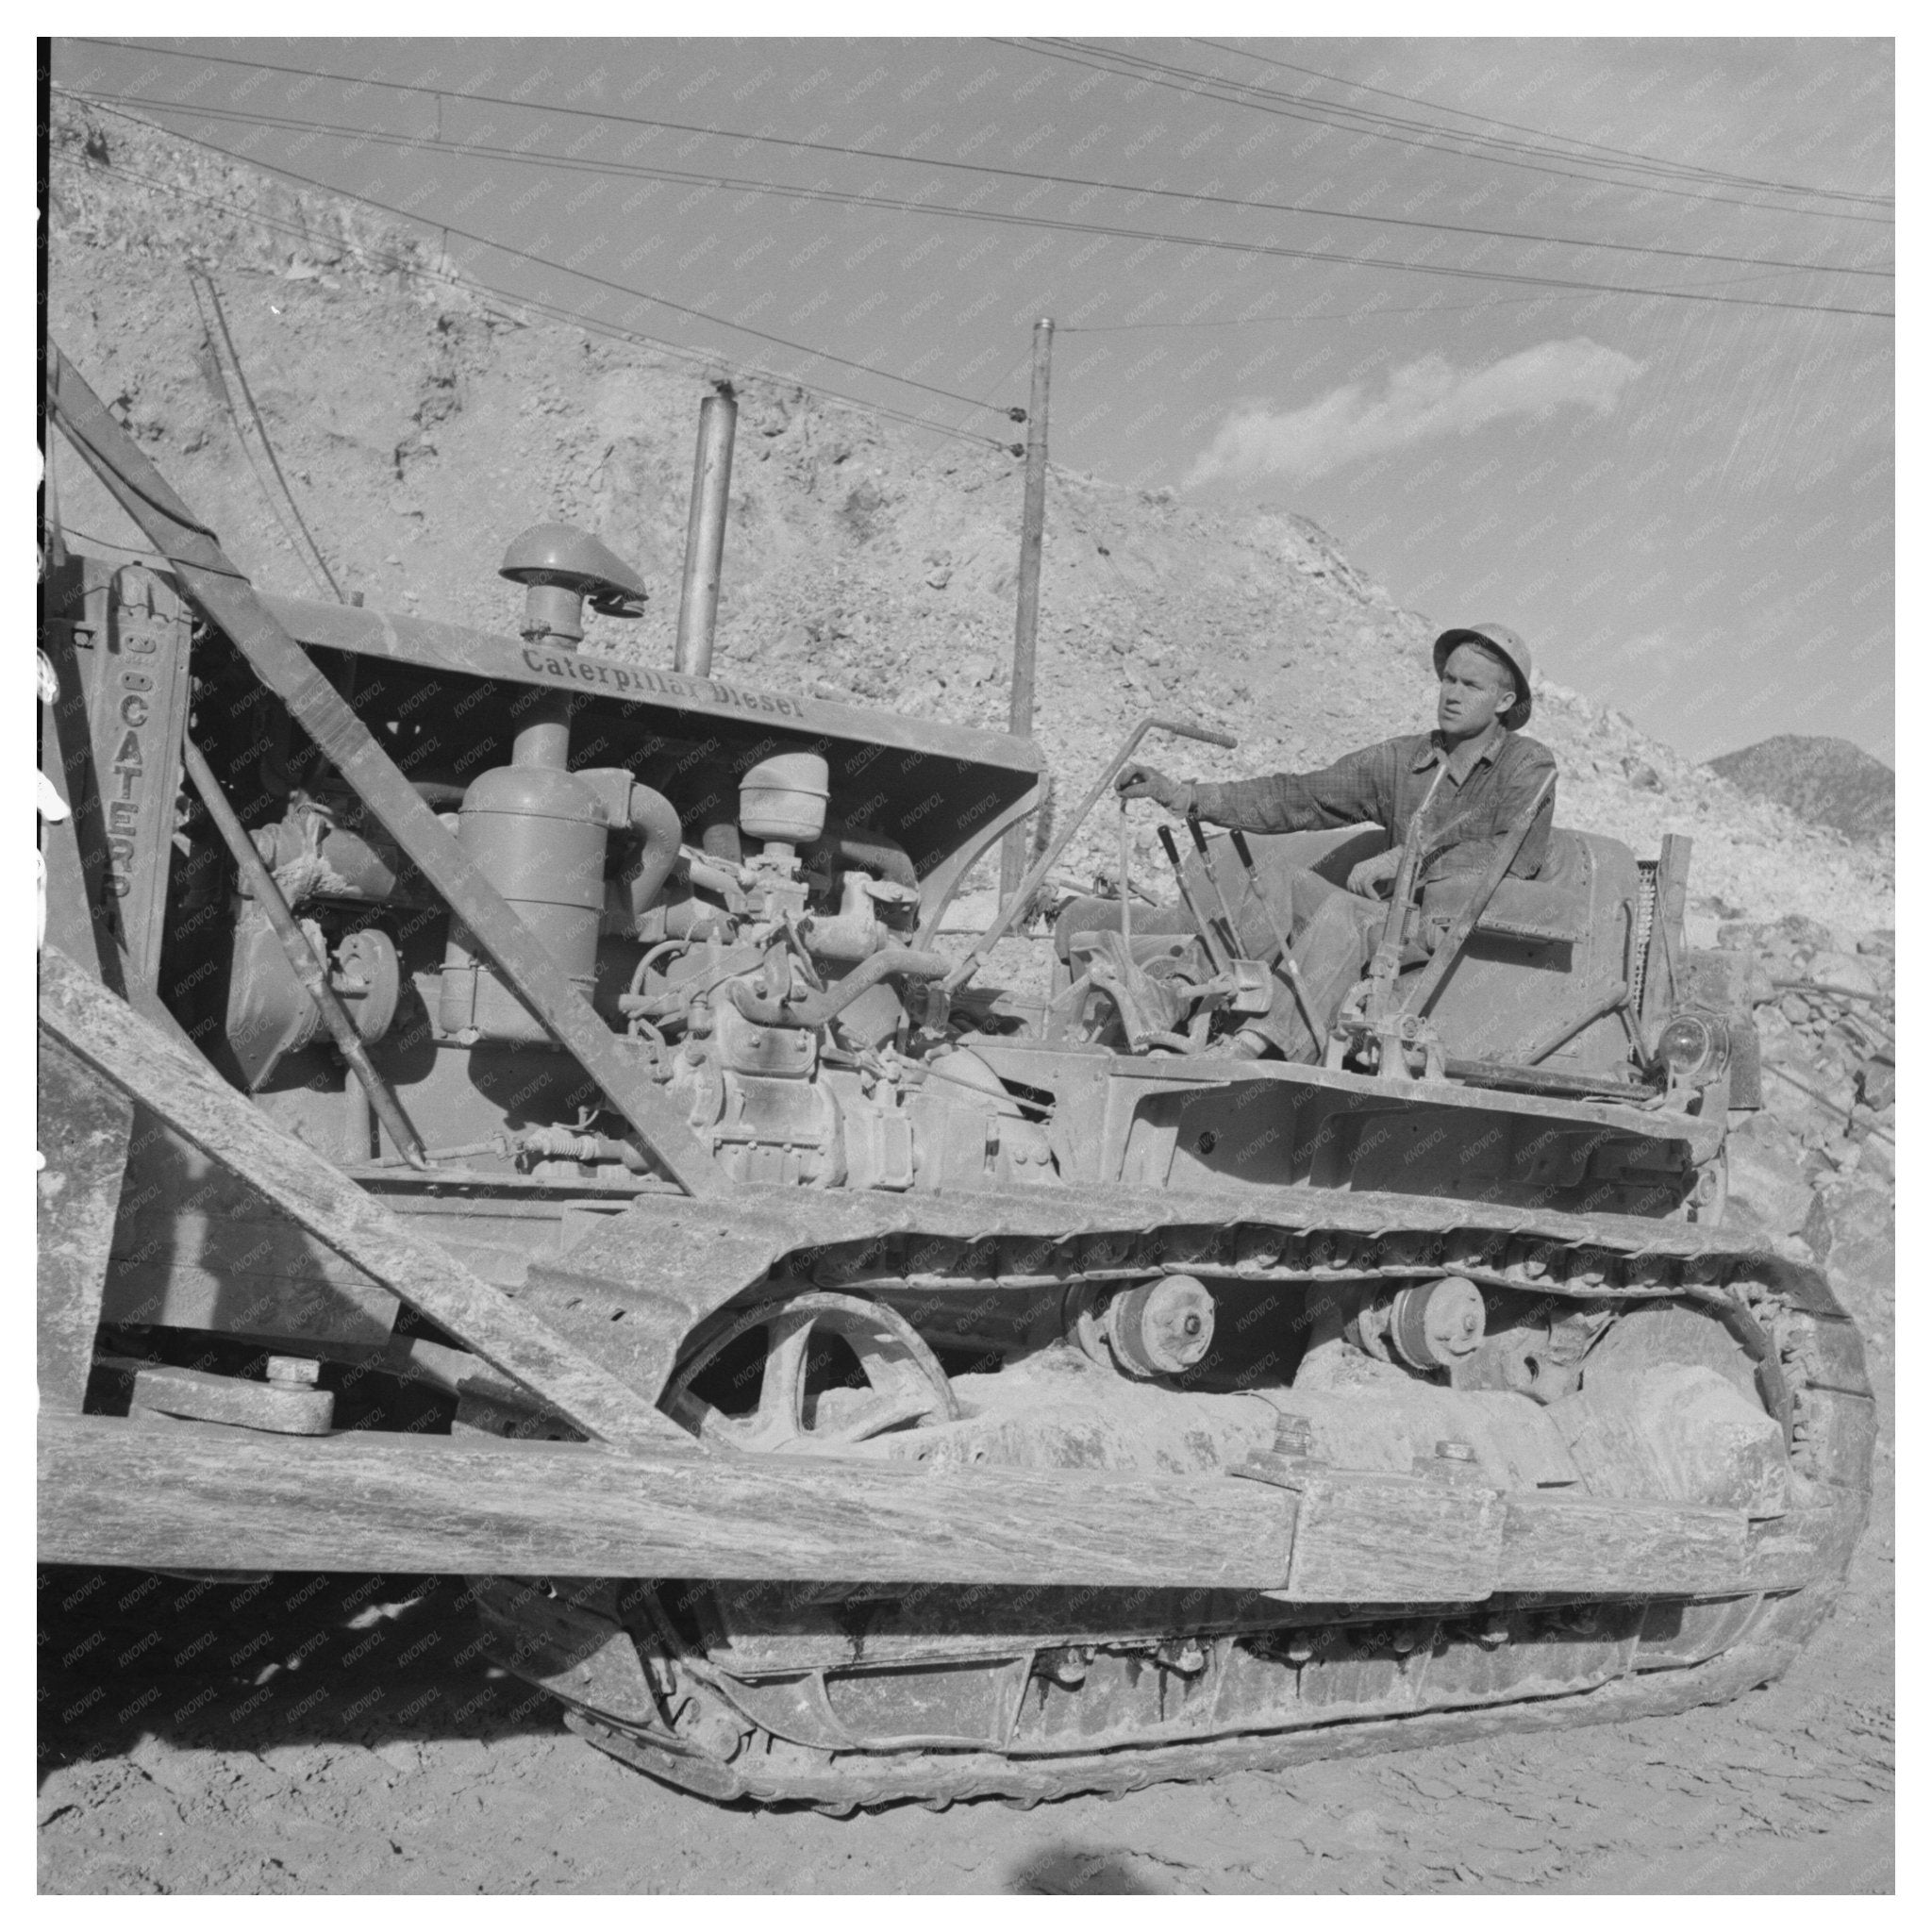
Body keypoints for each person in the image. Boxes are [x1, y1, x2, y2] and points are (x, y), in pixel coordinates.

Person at [1115, 624, 1557, 1059]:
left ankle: (1253, 1046)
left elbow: (1513, 857)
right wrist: (1187, 796)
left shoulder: (1528, 765)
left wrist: (1409, 858)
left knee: (1345, 911)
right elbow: (1300, 795)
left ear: (1505, 701)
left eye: (1471, 686)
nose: (1452, 694)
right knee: (1278, 882)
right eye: (1448, 680)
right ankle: (1176, 992)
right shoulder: (1404, 758)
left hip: (1446, 930)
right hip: (1386, 917)